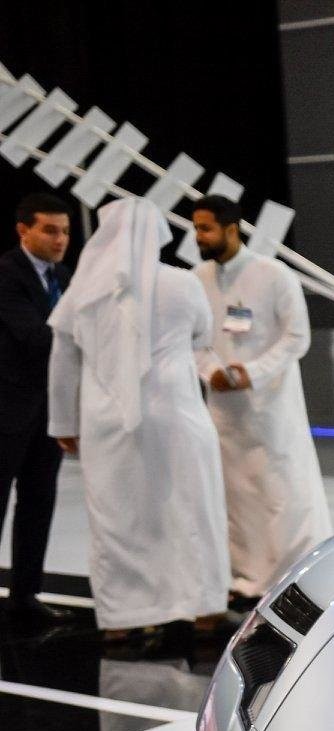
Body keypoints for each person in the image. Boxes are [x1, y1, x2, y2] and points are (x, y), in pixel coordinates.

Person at [46, 197, 229, 643]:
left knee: (118, 519)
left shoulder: (83, 291)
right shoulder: (183, 283)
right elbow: (203, 335)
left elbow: (63, 362)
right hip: (177, 416)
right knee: (191, 512)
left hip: (106, 422)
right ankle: (204, 611)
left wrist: (63, 424)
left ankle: (123, 619)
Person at [190, 195, 331, 604]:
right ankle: (247, 579)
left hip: (272, 407)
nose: (198, 236)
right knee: (237, 495)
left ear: (231, 229)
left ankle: (297, 579)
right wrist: (210, 371)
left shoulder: (273, 274)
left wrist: (251, 373)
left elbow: (297, 338)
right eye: (196, 228)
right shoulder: (197, 279)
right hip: (224, 409)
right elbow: (193, 338)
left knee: (282, 491)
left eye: (205, 228)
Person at [0, 193, 75, 633]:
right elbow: (34, 338)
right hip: (7, 411)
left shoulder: (63, 276)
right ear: (23, 230)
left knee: (38, 502)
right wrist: (87, 342)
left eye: (64, 231)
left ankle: (25, 597)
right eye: (49, 230)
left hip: (48, 412)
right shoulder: (7, 274)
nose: (59, 239)